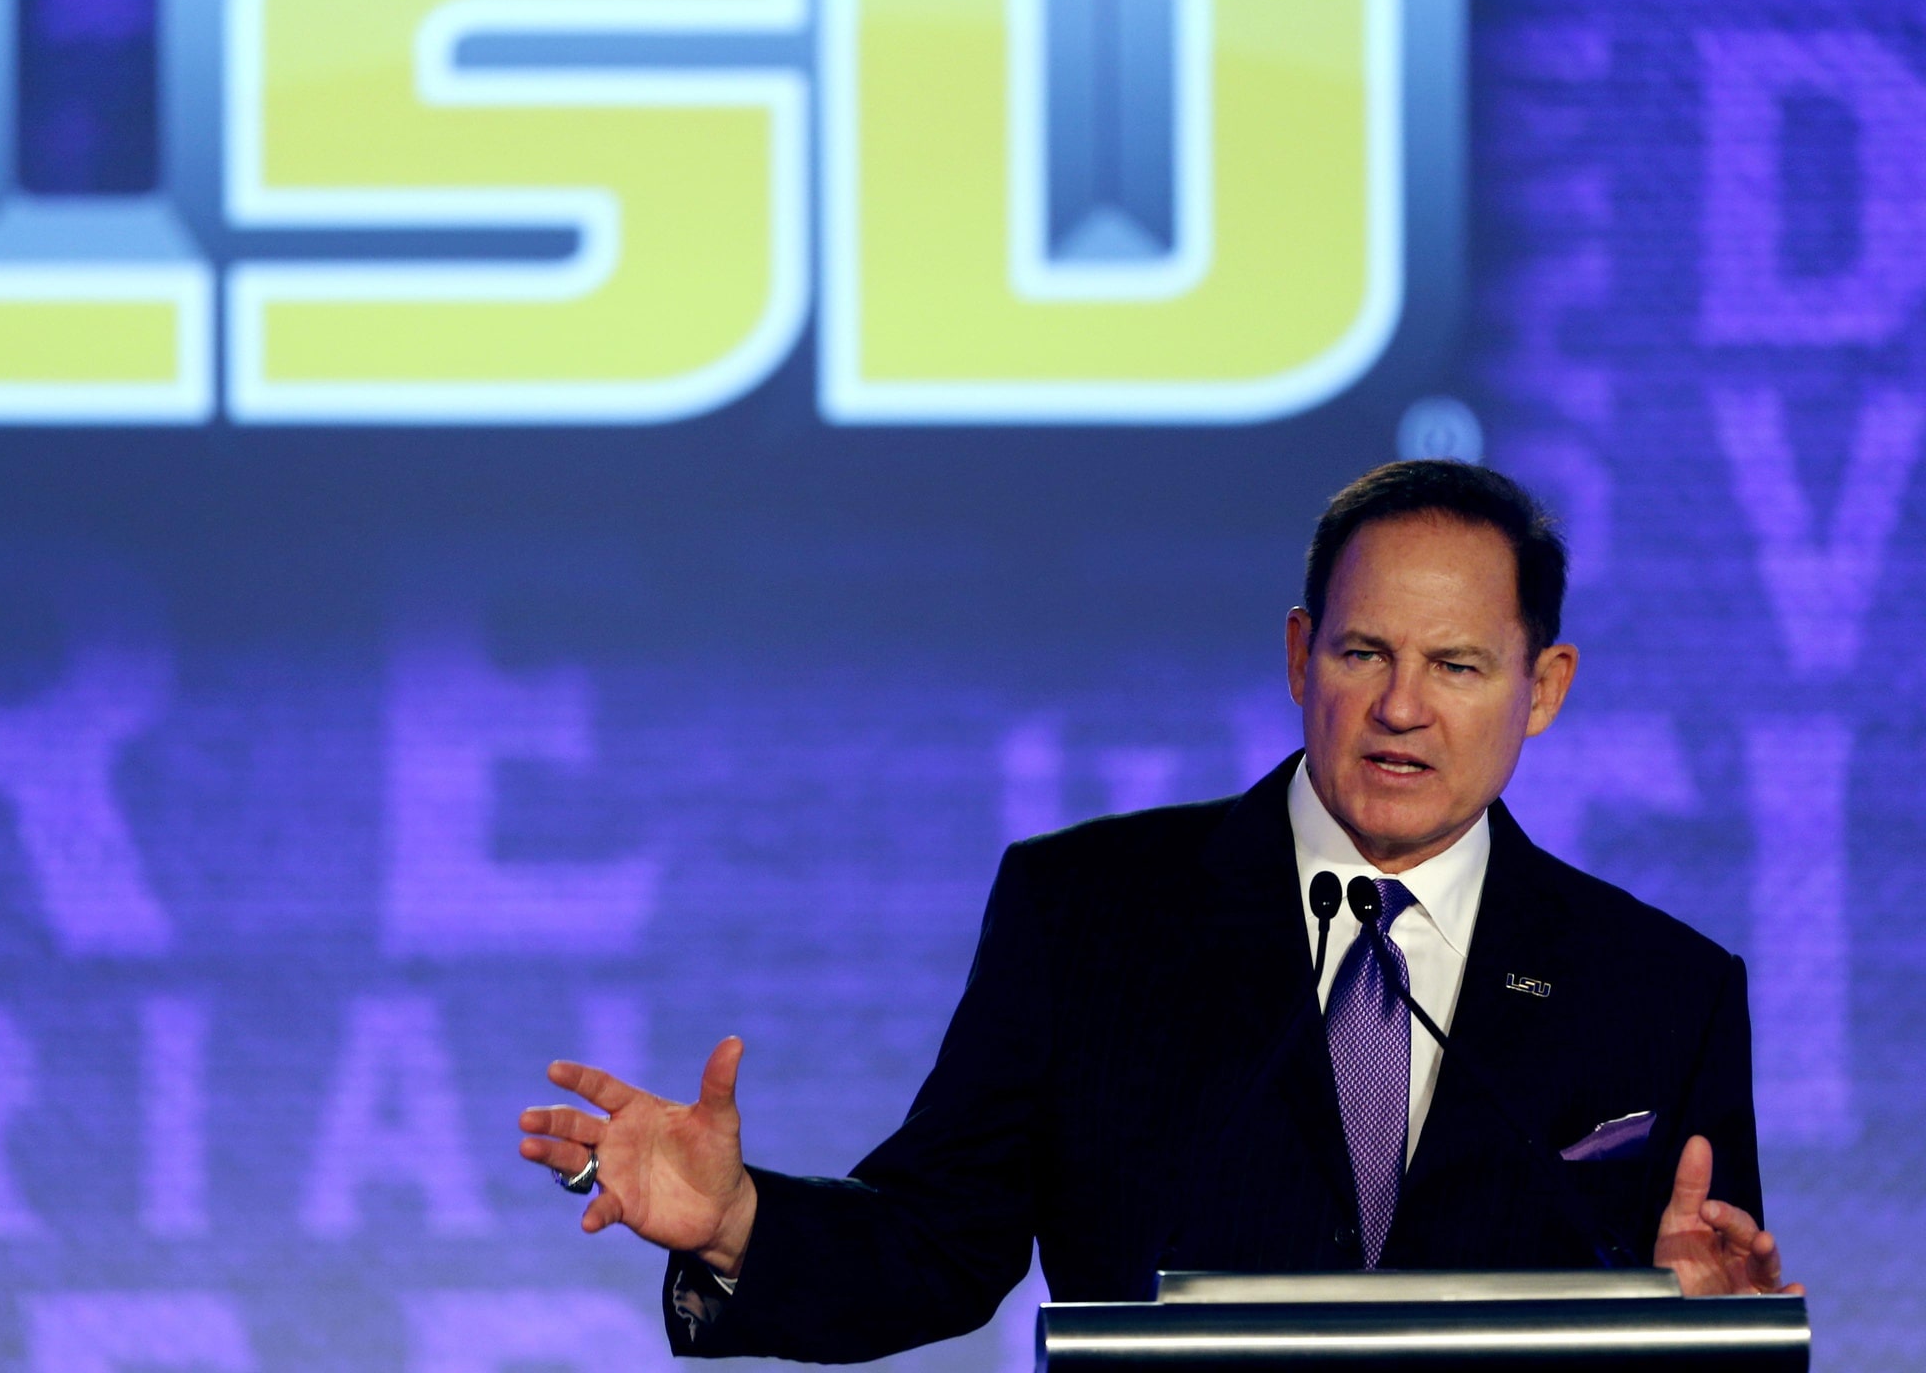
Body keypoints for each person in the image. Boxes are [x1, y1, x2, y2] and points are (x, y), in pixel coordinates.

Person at [516, 461, 1800, 1361]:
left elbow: (1697, 1294)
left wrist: (1712, 1328)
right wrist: (738, 1220)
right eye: (1363, 653)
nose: (1402, 704)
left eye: (1457, 664)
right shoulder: (1086, 913)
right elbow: (938, 1243)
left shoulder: (1660, 989)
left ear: (1542, 686)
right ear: (1302, 656)